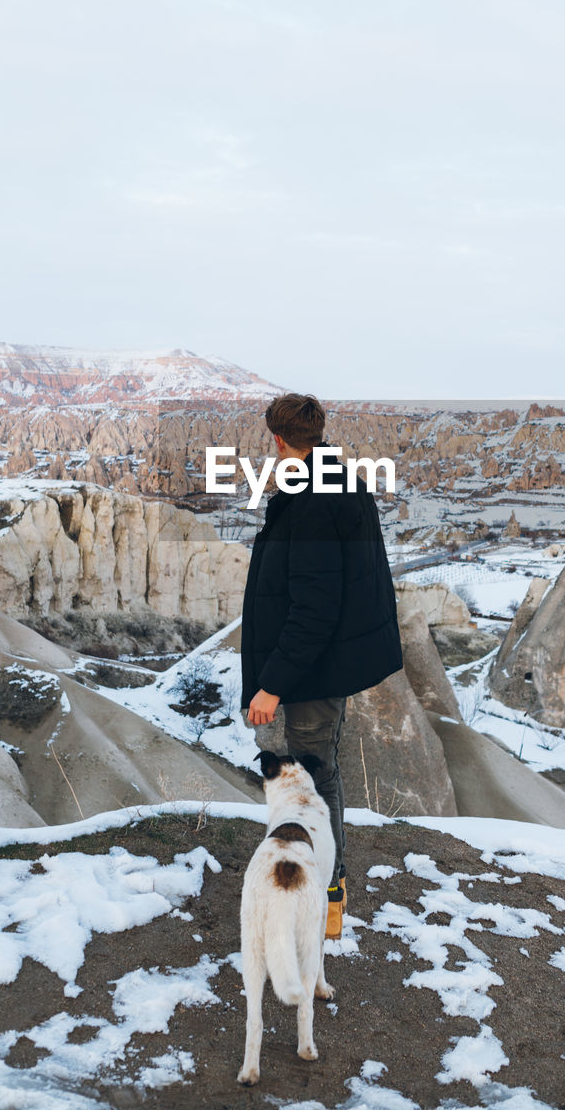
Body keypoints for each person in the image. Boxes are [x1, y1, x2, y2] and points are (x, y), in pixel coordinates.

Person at [241, 393, 403, 937]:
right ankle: (320, 884)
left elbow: (314, 607)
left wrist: (271, 685)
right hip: (321, 661)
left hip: (314, 668)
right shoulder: (337, 480)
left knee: (314, 773)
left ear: (279, 439)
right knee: (317, 769)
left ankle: (323, 891)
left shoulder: (313, 497)